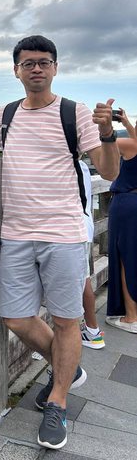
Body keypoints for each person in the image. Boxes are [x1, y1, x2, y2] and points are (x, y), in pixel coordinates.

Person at [0, 35, 120, 450]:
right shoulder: (7, 114)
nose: (36, 68)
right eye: (28, 63)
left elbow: (109, 171)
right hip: (15, 234)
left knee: (66, 320)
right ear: (16, 70)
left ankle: (58, 402)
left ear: (55, 68)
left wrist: (107, 133)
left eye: (44, 62)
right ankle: (67, 368)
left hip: (63, 234)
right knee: (16, 318)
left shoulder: (75, 113)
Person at [105, 108, 137, 333]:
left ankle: (131, 317)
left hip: (126, 205)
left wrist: (106, 126)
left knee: (125, 257)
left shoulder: (130, 145)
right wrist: (126, 124)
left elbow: (103, 145)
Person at [79, 159, 105, 349]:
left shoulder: (71, 166)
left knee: (81, 282)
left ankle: (93, 332)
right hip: (84, 227)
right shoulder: (82, 166)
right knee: (84, 279)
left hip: (73, 230)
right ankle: (92, 329)